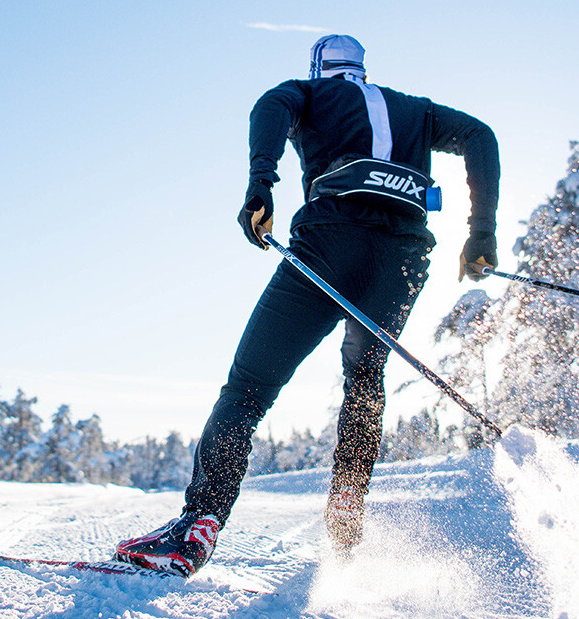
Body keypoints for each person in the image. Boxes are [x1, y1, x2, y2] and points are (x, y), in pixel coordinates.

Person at [115, 34, 499, 576]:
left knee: (248, 389)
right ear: (363, 70)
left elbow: (270, 106)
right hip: (403, 259)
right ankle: (345, 522)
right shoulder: (417, 110)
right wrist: (481, 232)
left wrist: (260, 186)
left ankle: (199, 523)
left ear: (321, 68)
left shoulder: (309, 93)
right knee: (365, 378)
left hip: (329, 246)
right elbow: (481, 135)